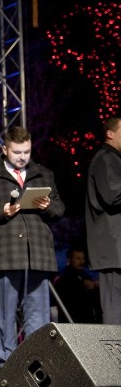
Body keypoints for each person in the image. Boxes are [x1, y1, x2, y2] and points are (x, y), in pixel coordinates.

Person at [0, 126, 65, 369]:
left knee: (38, 316)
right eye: (17, 152)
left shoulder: (44, 174)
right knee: (4, 314)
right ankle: (7, 366)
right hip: (5, 254)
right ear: (4, 149)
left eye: (27, 152)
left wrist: (46, 206)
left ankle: (38, 366)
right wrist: (2, 210)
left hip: (37, 254)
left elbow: (59, 209)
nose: (22, 157)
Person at [85, 116, 121, 324]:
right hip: (114, 250)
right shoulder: (106, 158)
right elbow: (113, 195)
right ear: (110, 133)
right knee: (115, 309)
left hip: (117, 249)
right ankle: (114, 356)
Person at [53, 248, 101, 323]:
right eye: (77, 258)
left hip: (88, 320)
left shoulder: (86, 275)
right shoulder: (64, 278)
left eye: (83, 258)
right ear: (69, 260)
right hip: (72, 320)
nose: (81, 261)